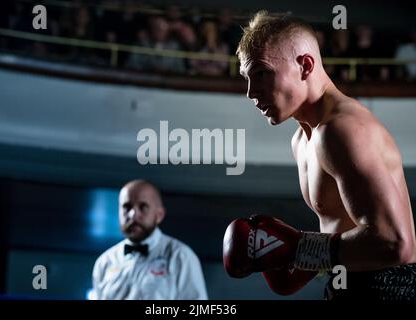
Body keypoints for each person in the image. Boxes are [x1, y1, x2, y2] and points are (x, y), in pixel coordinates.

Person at [223, 11, 416, 300]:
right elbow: (339, 235)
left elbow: (397, 244)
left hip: (388, 288)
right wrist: (303, 260)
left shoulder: (343, 130)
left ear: (305, 65)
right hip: (348, 283)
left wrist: (300, 248)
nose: (251, 92)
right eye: (247, 78)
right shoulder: (302, 139)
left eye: (262, 73)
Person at [91, 180, 208, 300]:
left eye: (143, 207)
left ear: (159, 215)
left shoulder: (181, 256)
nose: (133, 215)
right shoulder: (104, 261)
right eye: (127, 207)